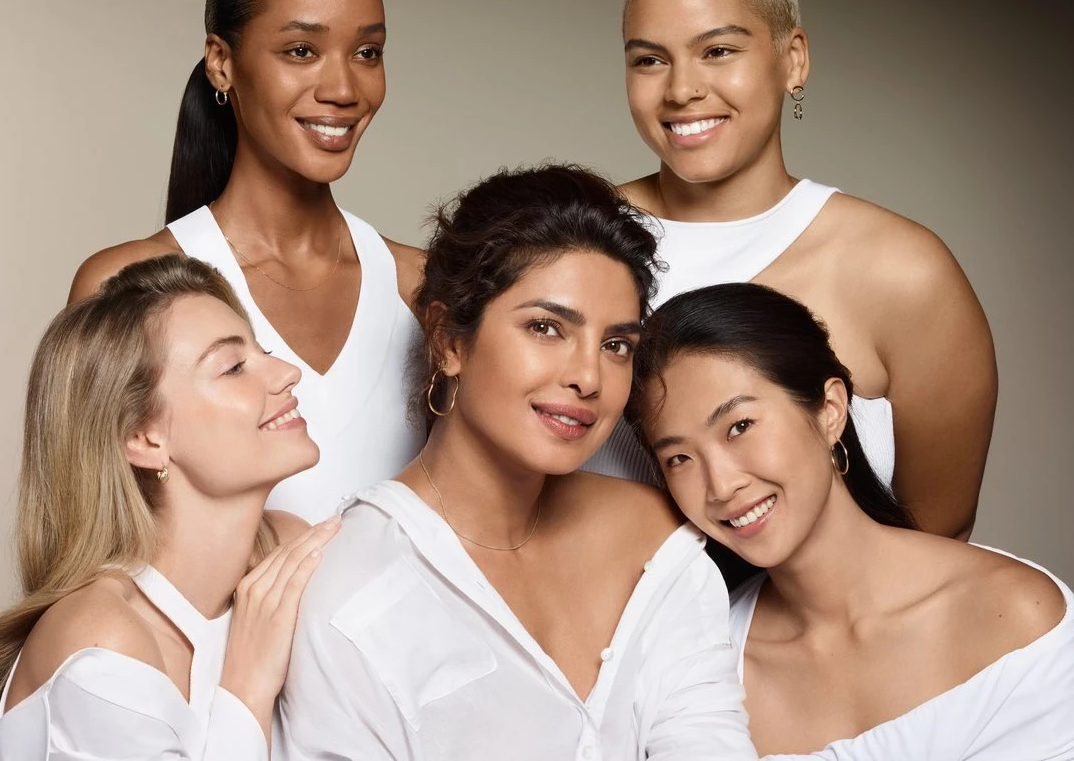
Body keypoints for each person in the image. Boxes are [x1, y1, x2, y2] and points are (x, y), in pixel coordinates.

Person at [276, 165, 756, 760]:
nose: (588, 377)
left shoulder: (657, 540)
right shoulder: (352, 590)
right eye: (546, 328)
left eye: (616, 345)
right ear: (449, 340)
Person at [589, 0, 996, 542]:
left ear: (793, 59)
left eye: (718, 51)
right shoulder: (572, 241)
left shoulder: (904, 274)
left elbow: (937, 540)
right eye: (649, 60)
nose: (682, 89)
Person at [627, 282, 1074, 759]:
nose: (720, 486)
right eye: (679, 458)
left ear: (830, 411)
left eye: (739, 427)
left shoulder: (1014, 615)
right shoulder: (702, 665)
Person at [69, 0, 423, 521]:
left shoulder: (420, 285)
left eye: (367, 52)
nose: (343, 89)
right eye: (301, 51)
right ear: (221, 62)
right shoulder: (127, 285)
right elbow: (93, 535)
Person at [0, 256, 339, 760]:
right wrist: (248, 688)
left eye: (265, 352)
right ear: (144, 438)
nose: (289, 372)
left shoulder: (286, 551)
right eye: (233, 367)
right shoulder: (102, 642)